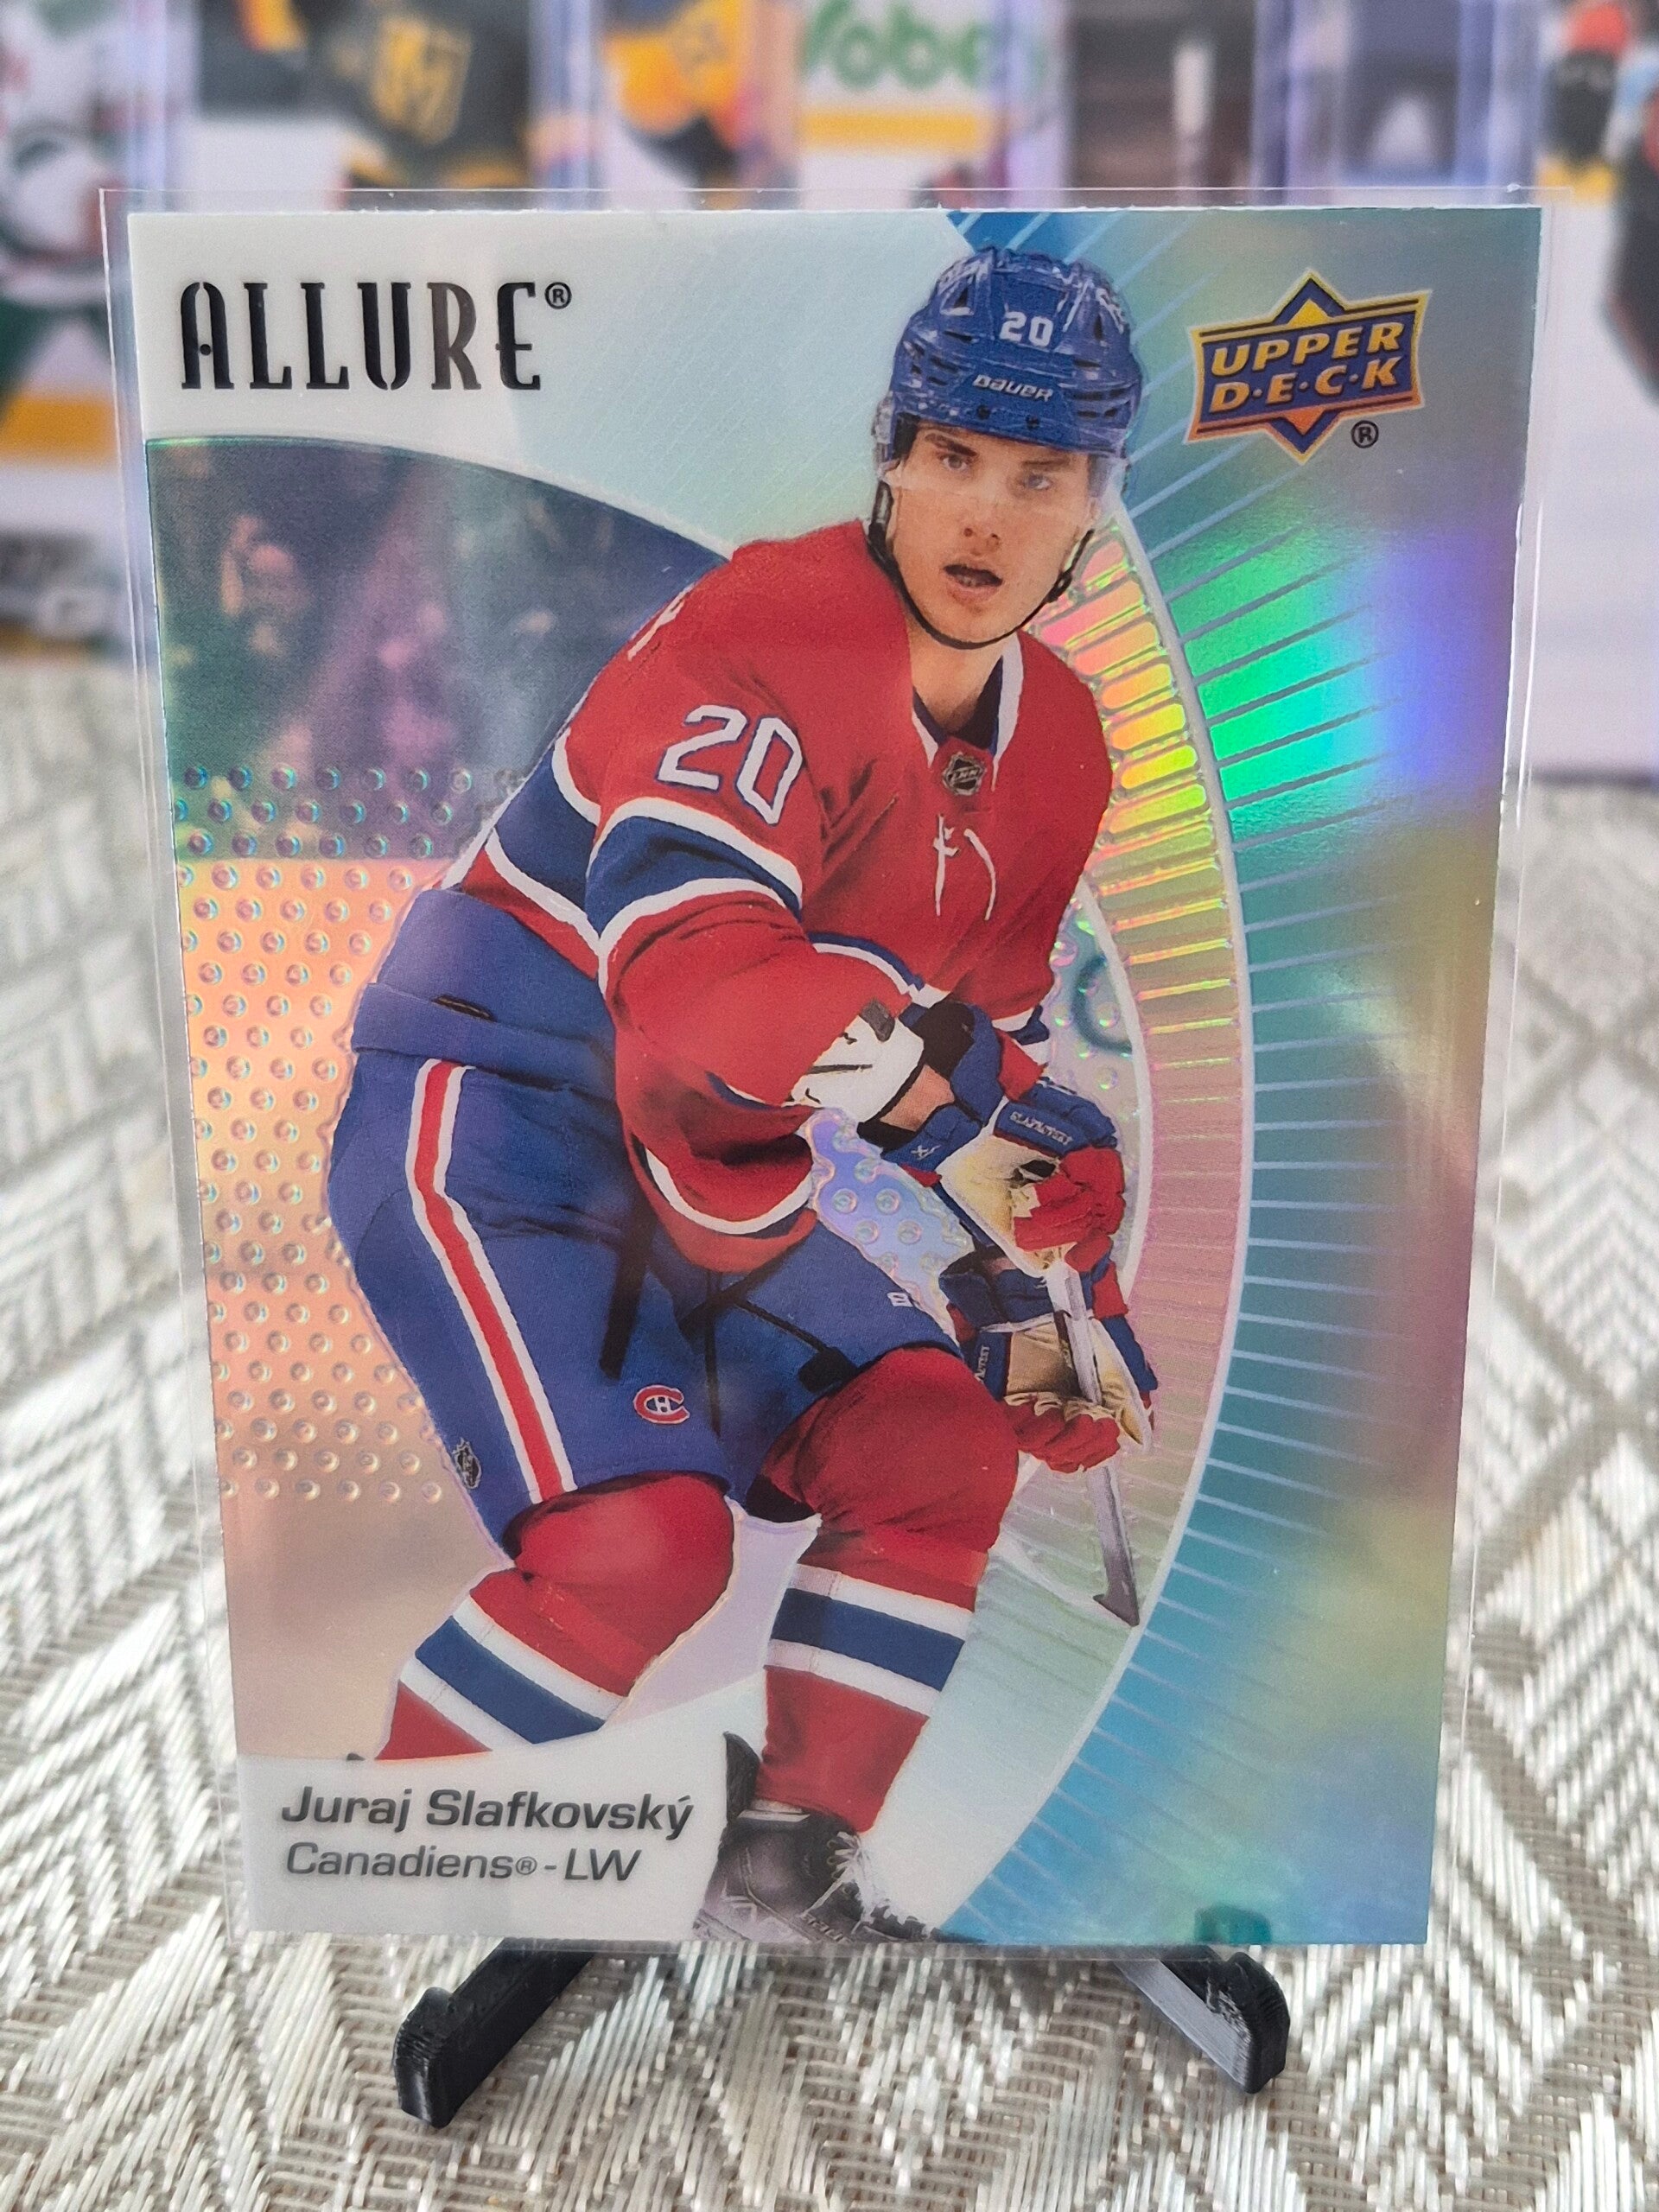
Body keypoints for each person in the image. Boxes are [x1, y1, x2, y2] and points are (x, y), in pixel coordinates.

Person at [326, 245, 1159, 1942]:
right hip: (502, 1119)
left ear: (1095, 504)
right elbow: (696, 1009)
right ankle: (400, 1854)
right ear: (889, 456)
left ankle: (782, 1874)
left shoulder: (1063, 743)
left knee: (939, 1445)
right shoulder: (765, 631)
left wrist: (1053, 1286)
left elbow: (982, 1047)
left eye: (1040, 473)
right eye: (952, 454)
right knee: (642, 1547)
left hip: (720, 1166)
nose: (986, 514)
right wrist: (970, 1118)